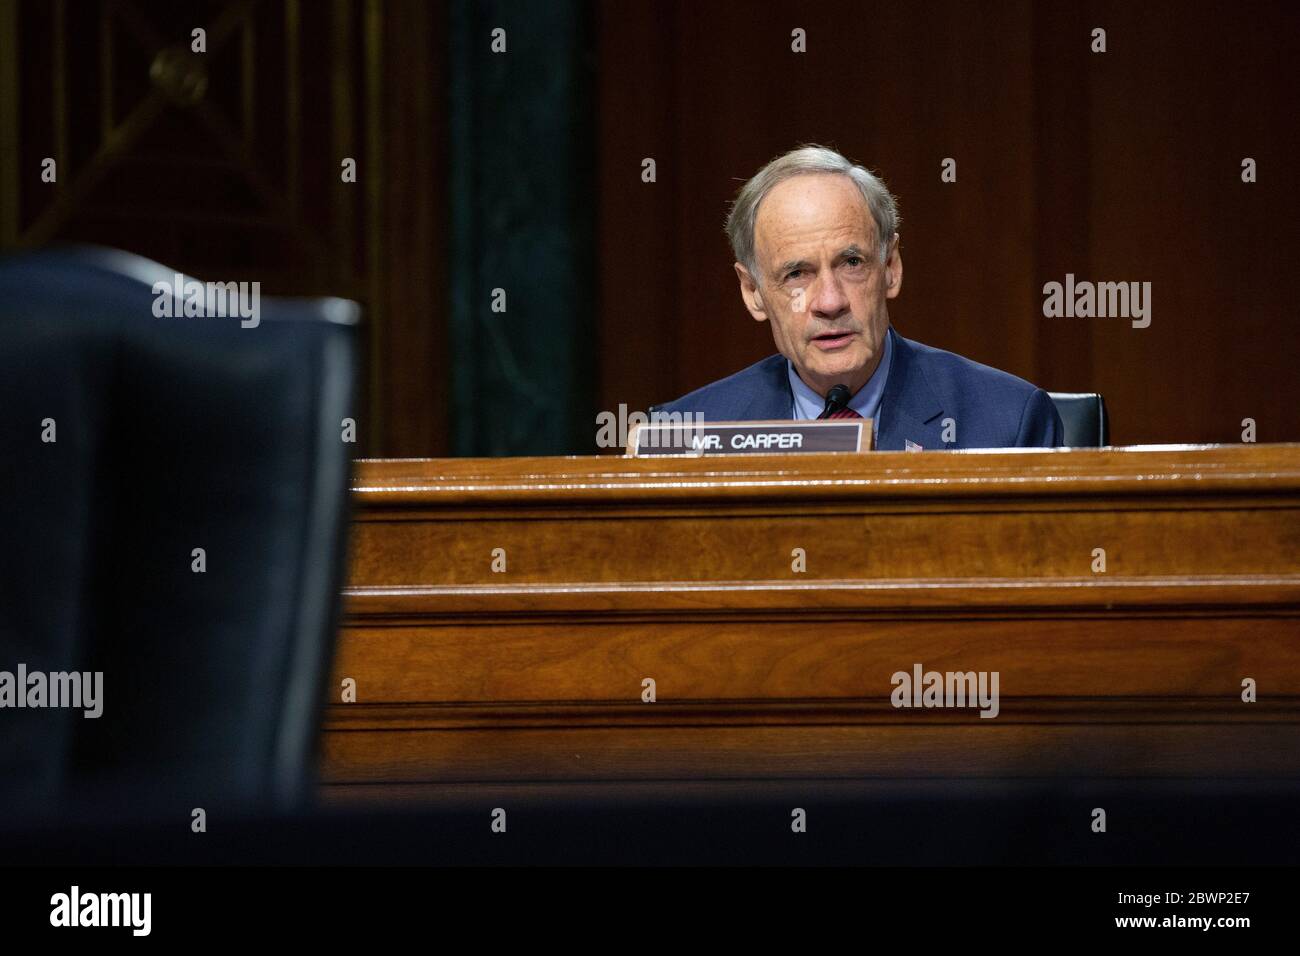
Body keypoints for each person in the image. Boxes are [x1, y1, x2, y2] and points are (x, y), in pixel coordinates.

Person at [654, 145, 1064, 450]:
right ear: (753, 292)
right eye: (797, 274)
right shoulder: (683, 435)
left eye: (852, 263)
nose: (830, 302)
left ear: (891, 268)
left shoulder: (1008, 422)